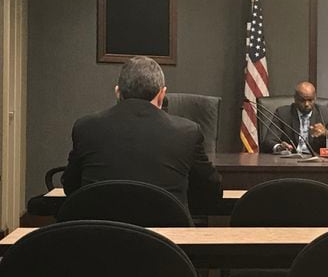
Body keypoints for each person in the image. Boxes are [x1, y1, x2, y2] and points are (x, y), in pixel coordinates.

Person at [63, 56, 222, 210]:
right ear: (162, 95)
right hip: (165, 234)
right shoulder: (187, 132)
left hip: (100, 232)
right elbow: (211, 192)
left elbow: (71, 186)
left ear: (118, 92)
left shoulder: (86, 127)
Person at [262, 81, 328, 154]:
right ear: (295, 99)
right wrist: (279, 147)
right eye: (302, 100)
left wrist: (327, 133)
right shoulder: (283, 113)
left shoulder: (325, 114)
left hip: (316, 161)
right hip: (290, 161)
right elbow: (268, 141)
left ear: (315, 98)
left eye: (310, 100)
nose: (306, 104)